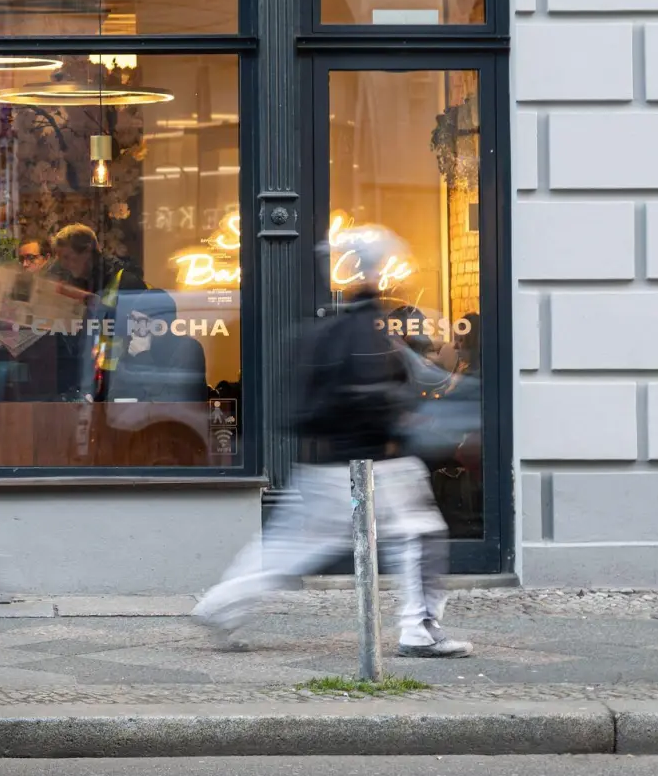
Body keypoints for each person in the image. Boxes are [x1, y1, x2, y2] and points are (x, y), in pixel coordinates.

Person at [191, 225, 472, 659]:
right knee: (420, 536)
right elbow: (372, 396)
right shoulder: (369, 334)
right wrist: (403, 422)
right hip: (373, 463)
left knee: (291, 547)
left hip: (326, 463)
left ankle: (222, 604)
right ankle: (420, 629)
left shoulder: (334, 329)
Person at [45, 224, 146, 400]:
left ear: (87, 251)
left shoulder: (126, 281)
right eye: (60, 258)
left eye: (68, 257)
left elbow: (140, 332)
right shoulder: (74, 279)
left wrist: (90, 303)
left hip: (118, 379)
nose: (63, 264)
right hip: (80, 376)